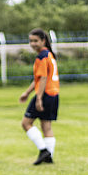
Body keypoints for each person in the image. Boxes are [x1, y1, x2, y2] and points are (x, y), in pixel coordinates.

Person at [18, 28, 60, 165]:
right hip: (54, 94)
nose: (33, 44)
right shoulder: (49, 54)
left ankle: (44, 151)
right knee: (46, 127)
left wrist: (39, 98)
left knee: (26, 123)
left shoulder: (42, 56)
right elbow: (38, 79)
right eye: (31, 41)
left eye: (36, 41)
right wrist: (27, 92)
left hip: (45, 94)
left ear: (43, 41)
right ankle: (49, 158)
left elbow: (42, 78)